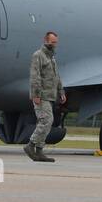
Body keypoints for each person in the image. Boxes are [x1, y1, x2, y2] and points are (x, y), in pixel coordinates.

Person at [26, 31, 65, 163]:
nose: (54, 45)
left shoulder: (52, 58)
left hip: (50, 95)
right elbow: (35, 76)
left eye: (55, 43)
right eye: (52, 42)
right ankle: (31, 145)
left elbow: (56, 77)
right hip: (41, 95)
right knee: (46, 120)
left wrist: (61, 92)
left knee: (47, 121)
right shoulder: (38, 55)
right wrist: (36, 94)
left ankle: (39, 151)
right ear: (45, 40)